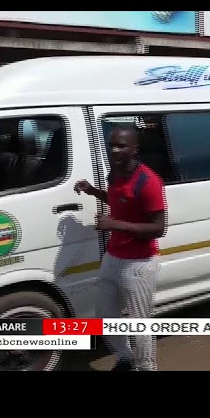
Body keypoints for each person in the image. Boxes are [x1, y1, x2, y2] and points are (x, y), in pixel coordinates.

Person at [74, 124, 167, 371]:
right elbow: (118, 200)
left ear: (135, 150)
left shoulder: (148, 182)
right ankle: (126, 358)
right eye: (111, 145)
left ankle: (146, 367)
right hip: (113, 258)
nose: (114, 150)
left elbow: (159, 228)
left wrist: (114, 224)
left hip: (138, 264)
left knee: (139, 324)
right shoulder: (114, 174)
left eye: (121, 146)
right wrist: (93, 191)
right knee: (104, 318)